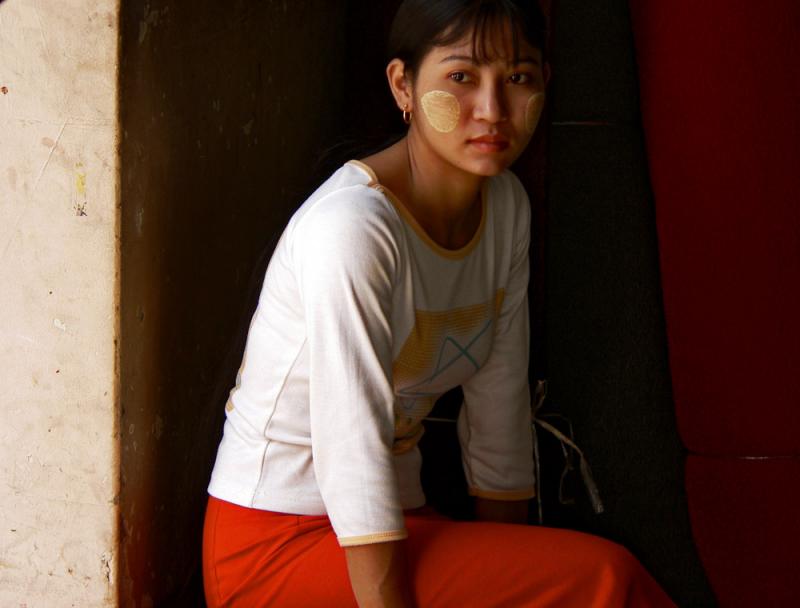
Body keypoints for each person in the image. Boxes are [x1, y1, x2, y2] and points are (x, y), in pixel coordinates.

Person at [202, 1, 677, 606]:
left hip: (399, 524)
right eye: (461, 77)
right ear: (403, 84)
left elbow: (500, 408)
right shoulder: (352, 229)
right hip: (279, 543)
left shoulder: (506, 209)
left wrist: (514, 567)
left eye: (518, 77)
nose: (493, 109)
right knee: (608, 580)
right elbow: (351, 448)